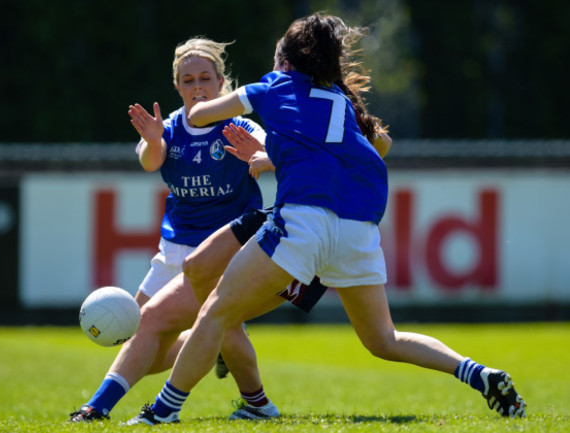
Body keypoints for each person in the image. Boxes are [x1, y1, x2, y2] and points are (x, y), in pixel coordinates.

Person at [129, 13, 527, 425]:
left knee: (215, 310)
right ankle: (479, 374)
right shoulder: (340, 98)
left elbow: (198, 117)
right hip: (357, 228)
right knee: (383, 339)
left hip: (304, 222)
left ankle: (162, 412)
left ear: (285, 61)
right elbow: (382, 146)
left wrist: (230, 113)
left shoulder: (273, 84)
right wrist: (277, 155)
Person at [69, 36, 276, 422]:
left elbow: (272, 154)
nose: (197, 87)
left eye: (205, 78)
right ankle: (247, 393)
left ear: (220, 83)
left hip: (224, 250)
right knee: (146, 334)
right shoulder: (167, 128)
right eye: (188, 80)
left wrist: (261, 157)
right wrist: (151, 141)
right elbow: (152, 161)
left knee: (178, 325)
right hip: (174, 249)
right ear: (177, 86)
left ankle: (97, 407)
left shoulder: (239, 126)